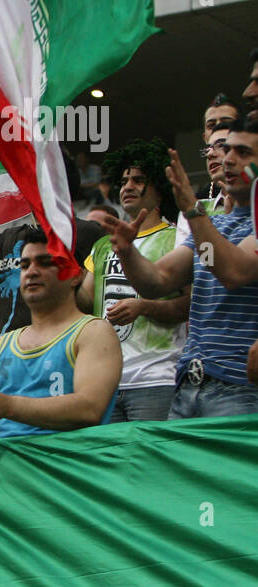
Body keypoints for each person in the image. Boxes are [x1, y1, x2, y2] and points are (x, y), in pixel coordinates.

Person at [102, 120, 258, 418]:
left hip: (240, 389)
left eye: (243, 152)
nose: (228, 159)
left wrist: (191, 208)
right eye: (226, 151)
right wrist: (127, 252)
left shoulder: (214, 225)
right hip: (188, 386)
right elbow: (157, 280)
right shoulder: (215, 226)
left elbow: (232, 272)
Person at [0, 229, 121, 440]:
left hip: (67, 467)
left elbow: (90, 409)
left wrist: (8, 405)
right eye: (24, 265)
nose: (31, 271)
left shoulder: (93, 332)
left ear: (75, 275)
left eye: (45, 262)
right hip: (7, 467)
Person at [77, 140, 188, 421]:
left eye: (139, 180)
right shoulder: (103, 245)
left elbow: (191, 305)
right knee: (110, 464)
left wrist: (144, 307)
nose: (128, 186)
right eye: (124, 180)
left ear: (159, 190)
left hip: (156, 378)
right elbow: (85, 301)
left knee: (151, 464)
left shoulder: (177, 238)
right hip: (106, 381)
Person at [0, 155, 103, 336]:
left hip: (60, 349)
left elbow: (92, 301)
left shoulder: (89, 232)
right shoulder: (10, 236)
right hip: (7, 352)